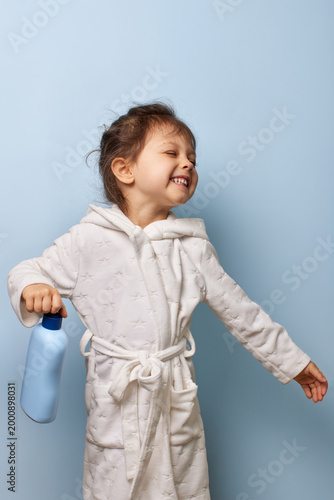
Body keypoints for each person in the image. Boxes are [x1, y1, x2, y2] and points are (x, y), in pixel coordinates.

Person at [8, 102, 327, 500]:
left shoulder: (193, 247)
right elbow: (26, 270)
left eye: (193, 158)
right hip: (116, 397)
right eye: (172, 153)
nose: (188, 164)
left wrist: (293, 363)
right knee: (113, 485)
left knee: (183, 484)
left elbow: (243, 315)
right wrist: (32, 288)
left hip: (174, 394)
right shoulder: (88, 240)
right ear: (125, 170)